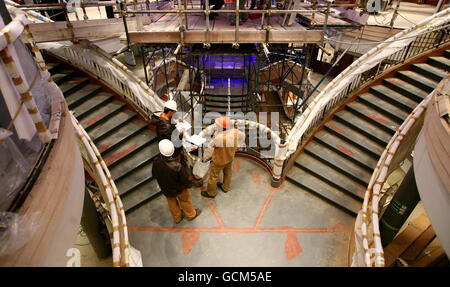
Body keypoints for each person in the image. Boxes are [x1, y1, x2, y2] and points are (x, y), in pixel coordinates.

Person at [152, 139, 202, 224]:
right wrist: (190, 184)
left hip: (166, 189)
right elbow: (185, 180)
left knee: (172, 202)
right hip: (179, 189)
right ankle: (191, 215)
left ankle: (177, 218)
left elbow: (154, 174)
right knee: (185, 200)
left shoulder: (156, 161)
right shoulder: (177, 166)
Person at [201, 115, 245, 198]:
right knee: (228, 173)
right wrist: (237, 146)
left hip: (219, 161)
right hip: (230, 157)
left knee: (213, 177)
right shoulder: (235, 131)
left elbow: (211, 145)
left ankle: (211, 193)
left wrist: (213, 137)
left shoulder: (219, 137)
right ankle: (225, 187)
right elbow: (243, 136)